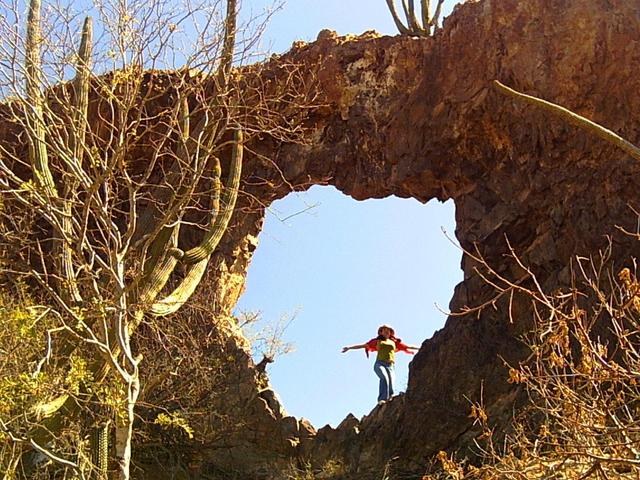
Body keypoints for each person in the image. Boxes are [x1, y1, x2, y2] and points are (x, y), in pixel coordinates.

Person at [341, 325, 419, 405]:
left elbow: (408, 346)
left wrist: (420, 348)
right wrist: (349, 347)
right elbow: (362, 345)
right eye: (384, 330)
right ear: (381, 332)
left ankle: (390, 398)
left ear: (390, 333)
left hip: (391, 365)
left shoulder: (394, 342)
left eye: (388, 330)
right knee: (384, 378)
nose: (386, 331)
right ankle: (381, 399)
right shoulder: (377, 341)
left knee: (391, 382)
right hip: (380, 363)